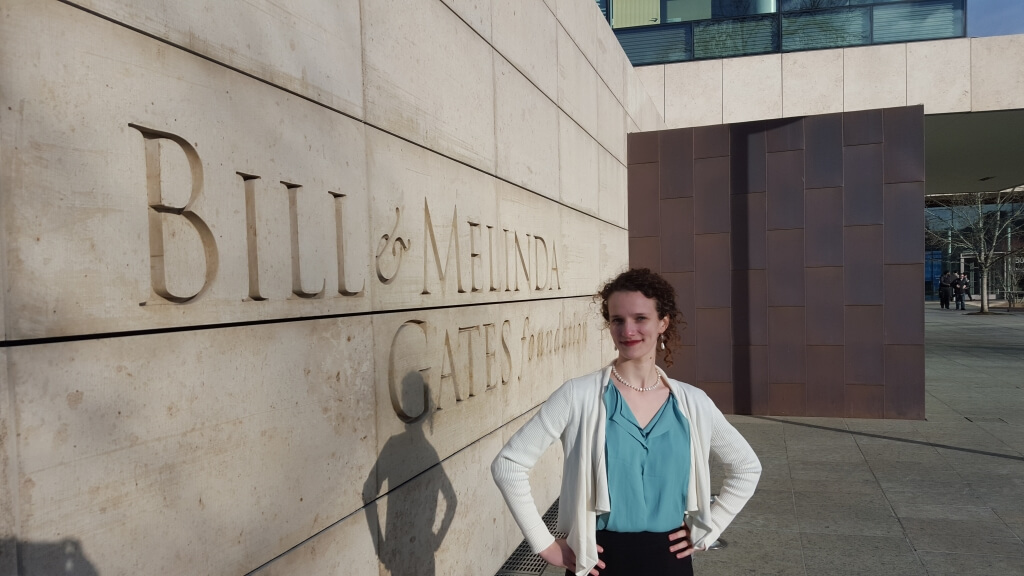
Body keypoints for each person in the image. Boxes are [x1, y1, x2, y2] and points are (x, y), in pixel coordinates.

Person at [491, 268, 761, 576]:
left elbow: (747, 467)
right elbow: (509, 464)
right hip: (600, 559)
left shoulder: (693, 402)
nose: (627, 330)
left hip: (670, 559)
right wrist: (545, 545)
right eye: (617, 320)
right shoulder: (578, 395)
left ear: (663, 322)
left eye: (640, 318)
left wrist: (710, 528)